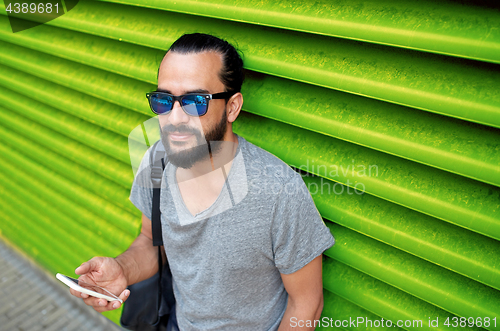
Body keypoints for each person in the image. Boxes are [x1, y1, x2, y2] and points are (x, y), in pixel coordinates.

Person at [70, 33, 335, 331]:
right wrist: (122, 270)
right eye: (164, 100)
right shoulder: (156, 160)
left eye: (196, 101)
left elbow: (307, 306)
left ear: (232, 107)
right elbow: (150, 241)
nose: (175, 118)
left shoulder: (278, 191)